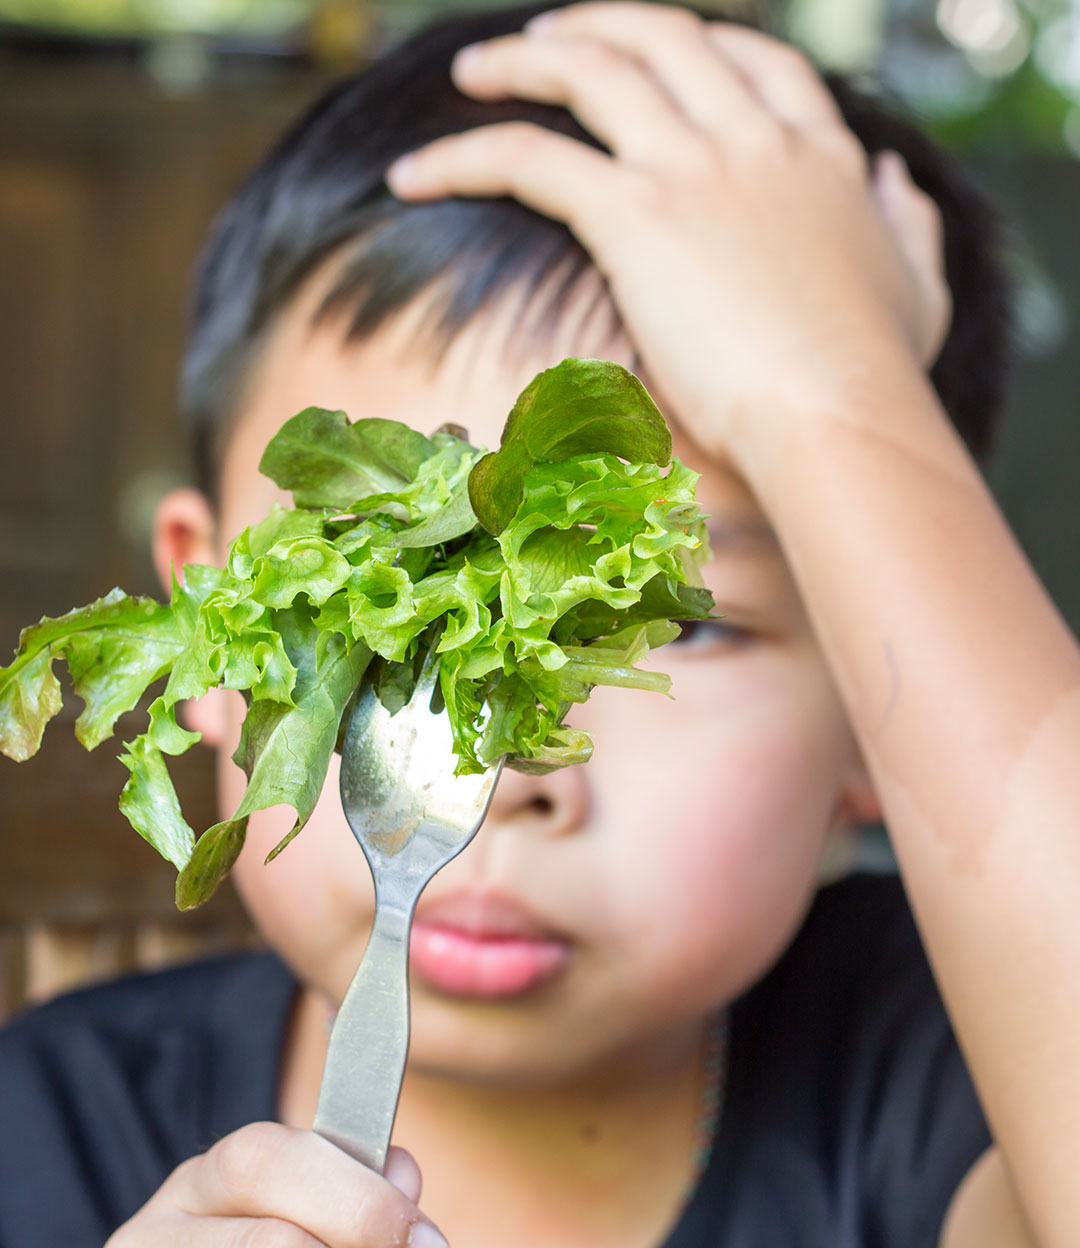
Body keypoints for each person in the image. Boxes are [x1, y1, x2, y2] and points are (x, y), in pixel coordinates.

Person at [2, 2, 1077, 1245]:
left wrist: (834, 390)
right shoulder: (41, 1130)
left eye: (680, 628)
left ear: (883, 709)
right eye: (373, 591)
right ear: (208, 636)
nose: (508, 776)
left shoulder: (947, 1079)